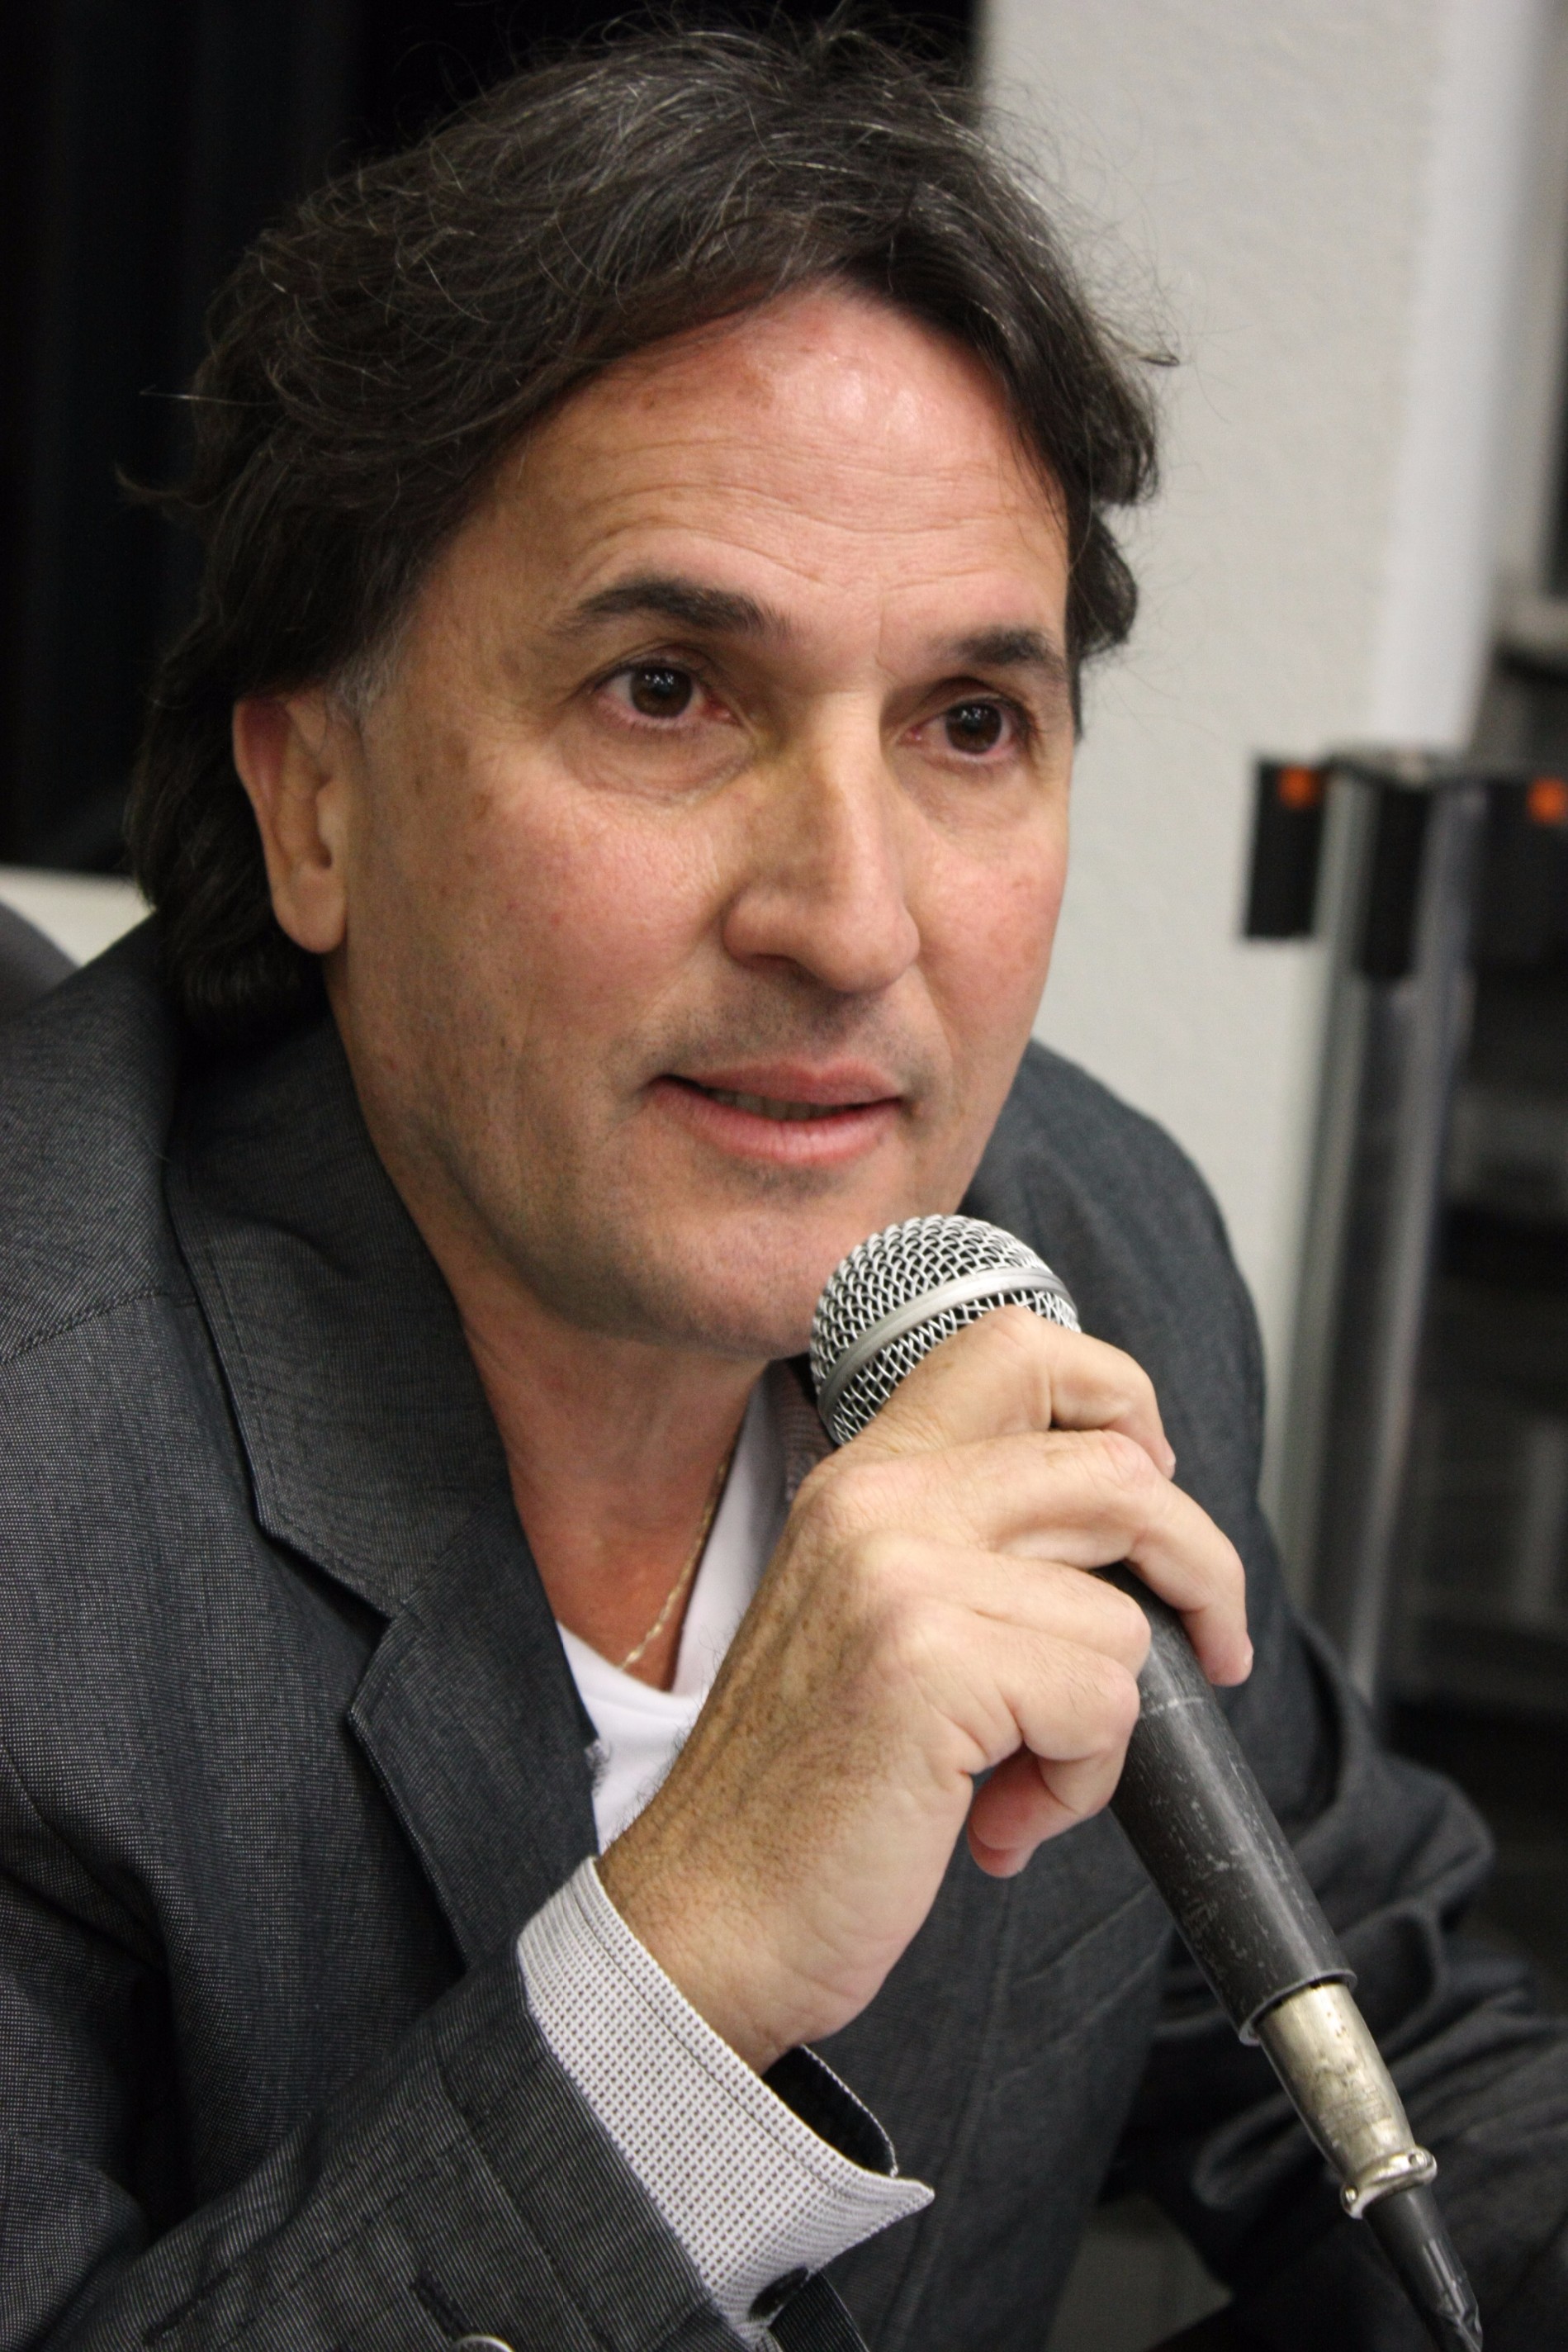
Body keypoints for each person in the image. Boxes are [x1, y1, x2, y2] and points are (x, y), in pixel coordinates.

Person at [2, 21, 1564, 2351]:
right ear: (313, 801)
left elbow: (1406, 2042)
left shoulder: (1077, 1247)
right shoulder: (39, 1491)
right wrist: (673, 1984)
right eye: (666, 690)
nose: (848, 921)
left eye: (968, 724)